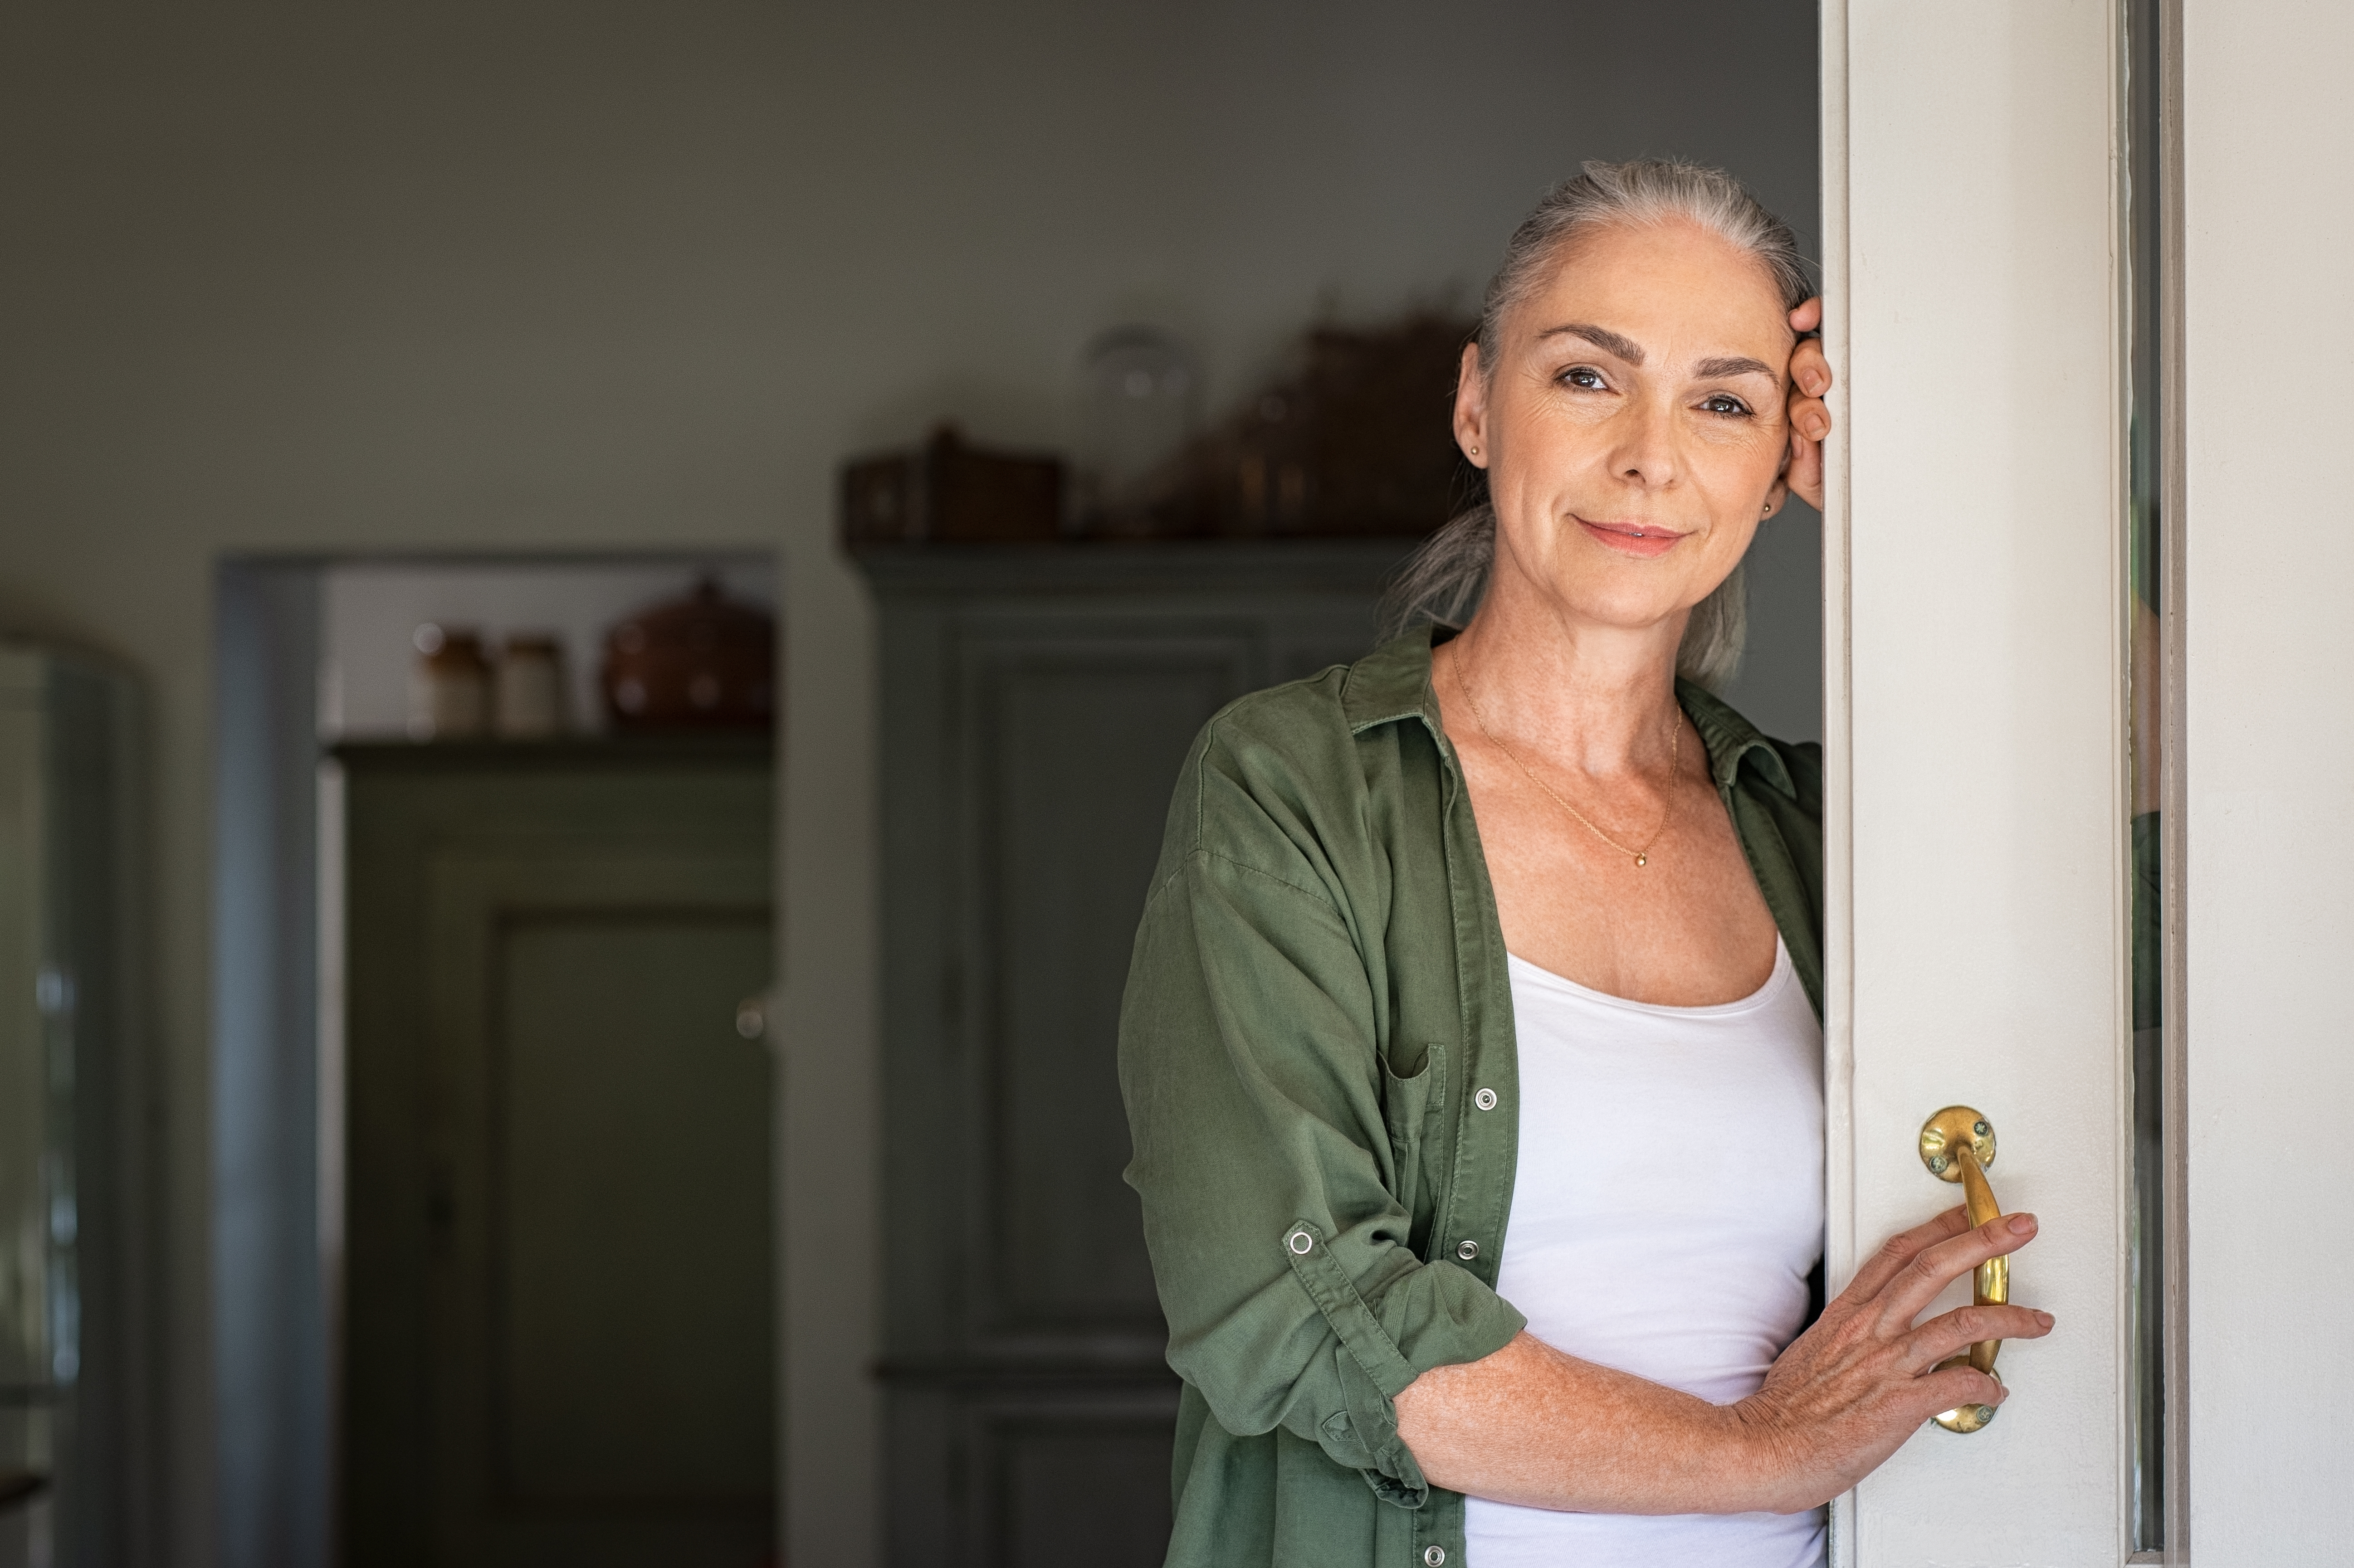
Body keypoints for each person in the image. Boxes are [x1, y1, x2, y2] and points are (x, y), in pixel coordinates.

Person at [1116, 159, 2054, 1568]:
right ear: (1478, 403)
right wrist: (1764, 1448)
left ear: (1777, 471)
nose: (1652, 457)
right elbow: (1289, 1306)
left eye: (1726, 403)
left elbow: (2164, 845)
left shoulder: (1814, 835)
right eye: (1588, 378)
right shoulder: (1287, 788)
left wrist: (1923, 508)